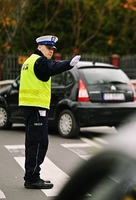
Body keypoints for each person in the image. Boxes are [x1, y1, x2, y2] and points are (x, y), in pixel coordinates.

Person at [18, 35, 81, 189]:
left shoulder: (29, 61)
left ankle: (32, 175)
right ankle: (32, 178)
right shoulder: (39, 61)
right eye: (48, 47)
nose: (51, 51)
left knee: (33, 142)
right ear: (40, 47)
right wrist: (68, 64)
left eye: (53, 48)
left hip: (29, 106)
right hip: (36, 107)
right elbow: (52, 67)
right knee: (39, 143)